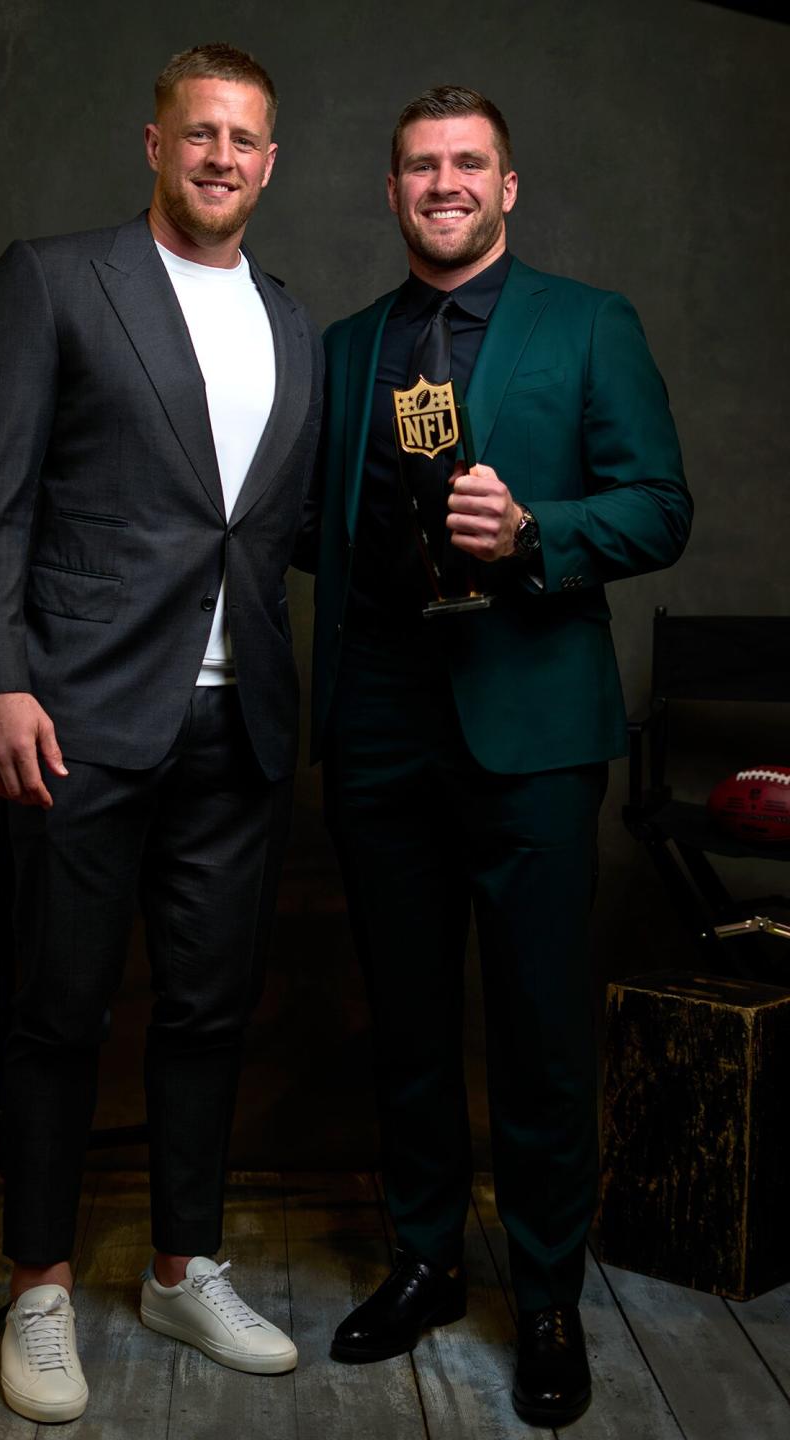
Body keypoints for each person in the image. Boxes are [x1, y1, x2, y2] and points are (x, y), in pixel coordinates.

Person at [0, 42, 322, 1424]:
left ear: (271, 164)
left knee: (211, 1009)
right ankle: (40, 1281)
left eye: (246, 139)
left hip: (240, 733)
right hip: (78, 721)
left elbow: (283, 530)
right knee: (56, 1008)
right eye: (199, 131)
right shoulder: (56, 279)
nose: (222, 156)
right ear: (153, 142)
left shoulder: (292, 322)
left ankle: (181, 1261)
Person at [304, 86, 691, 1427]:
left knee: (536, 1035)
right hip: (378, 729)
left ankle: (542, 1299)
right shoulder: (351, 348)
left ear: (508, 188)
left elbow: (658, 507)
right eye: (421, 164)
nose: (446, 183)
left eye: (470, 164)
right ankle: (422, 1258)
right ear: (394, 189)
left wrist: (534, 532)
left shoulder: (590, 325)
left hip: (528, 730)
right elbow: (319, 528)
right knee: (405, 1020)